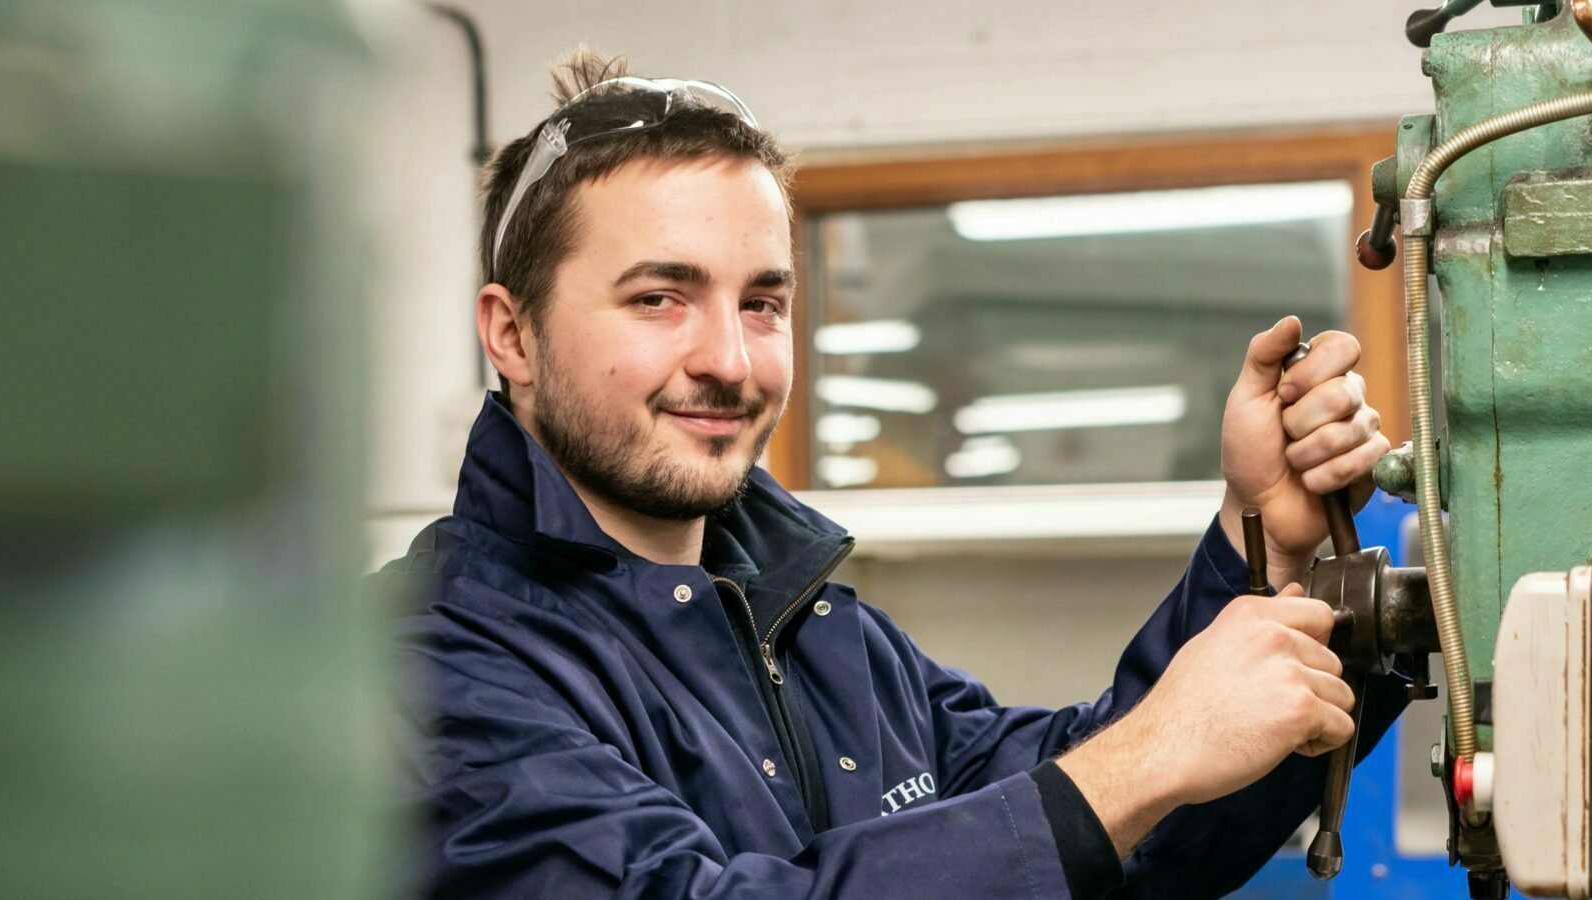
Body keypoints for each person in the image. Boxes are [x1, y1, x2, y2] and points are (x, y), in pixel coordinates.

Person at [380, 50, 1407, 899]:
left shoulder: (821, 636)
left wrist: (1256, 537)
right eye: (659, 298)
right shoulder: (424, 666)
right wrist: (1138, 765)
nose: (729, 360)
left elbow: (1092, 830)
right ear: (510, 335)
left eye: (763, 303)